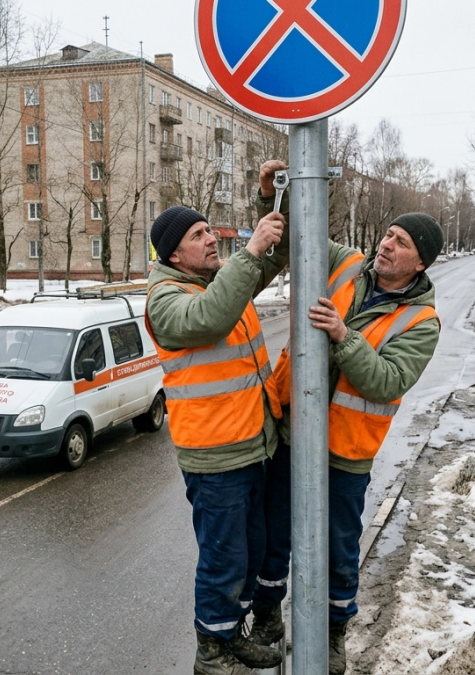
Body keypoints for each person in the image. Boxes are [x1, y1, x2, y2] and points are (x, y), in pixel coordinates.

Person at [249, 166, 443, 675]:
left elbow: (386, 381)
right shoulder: (345, 265)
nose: (386, 245)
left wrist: (342, 335)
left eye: (400, 243)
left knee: (337, 549)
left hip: (346, 453)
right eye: (387, 234)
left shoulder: (421, 322)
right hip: (293, 433)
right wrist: (273, 195)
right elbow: (300, 237)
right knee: (274, 532)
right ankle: (268, 616)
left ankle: (333, 633)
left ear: (419, 262)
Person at [144, 179, 289, 675]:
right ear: (175, 255)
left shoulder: (219, 278)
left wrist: (273, 201)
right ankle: (210, 652)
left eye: (211, 231)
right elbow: (209, 320)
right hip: (214, 456)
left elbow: (274, 255)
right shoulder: (166, 298)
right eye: (199, 235)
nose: (211, 240)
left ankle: (231, 636)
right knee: (224, 559)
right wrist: (248, 252)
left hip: (253, 445)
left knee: (250, 555)